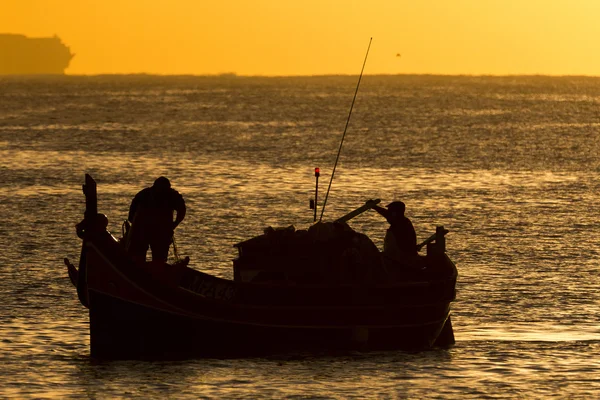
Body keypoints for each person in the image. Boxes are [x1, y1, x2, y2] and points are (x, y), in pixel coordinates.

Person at [127, 177, 186, 262]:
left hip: (159, 232)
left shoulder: (171, 195)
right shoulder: (145, 194)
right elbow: (131, 213)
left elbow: (182, 210)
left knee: (158, 258)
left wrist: (174, 225)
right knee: (142, 256)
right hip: (144, 230)